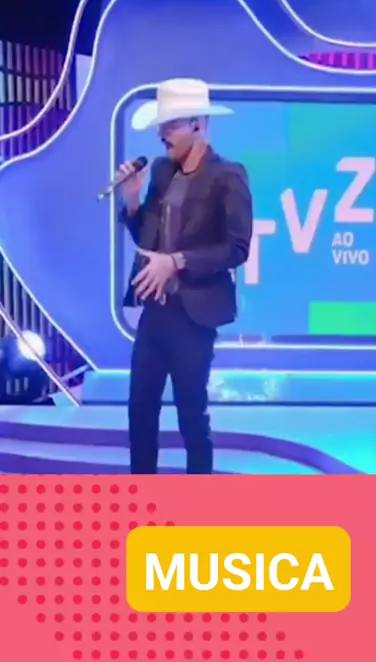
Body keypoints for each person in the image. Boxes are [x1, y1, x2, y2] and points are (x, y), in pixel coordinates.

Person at [117, 78, 253, 475]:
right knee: (140, 409)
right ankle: (142, 497)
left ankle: (197, 503)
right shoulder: (162, 171)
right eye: (162, 125)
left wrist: (176, 261)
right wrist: (131, 201)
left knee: (191, 415)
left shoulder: (228, 175)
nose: (163, 134)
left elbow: (237, 249)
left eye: (171, 125)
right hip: (156, 311)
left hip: (194, 315)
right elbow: (147, 239)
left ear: (198, 124)